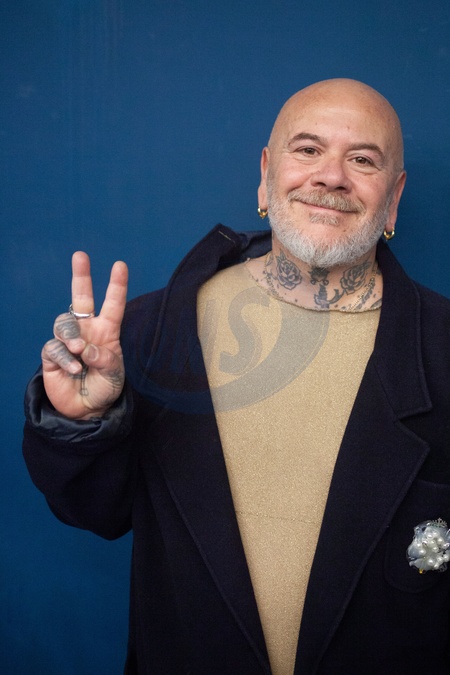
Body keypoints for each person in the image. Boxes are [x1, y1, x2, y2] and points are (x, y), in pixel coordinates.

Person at [23, 78, 450, 674]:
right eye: (308, 149)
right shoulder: (150, 333)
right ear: (266, 174)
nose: (331, 176)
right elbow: (96, 512)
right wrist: (82, 423)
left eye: (362, 160)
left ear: (394, 197)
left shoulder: (443, 348)